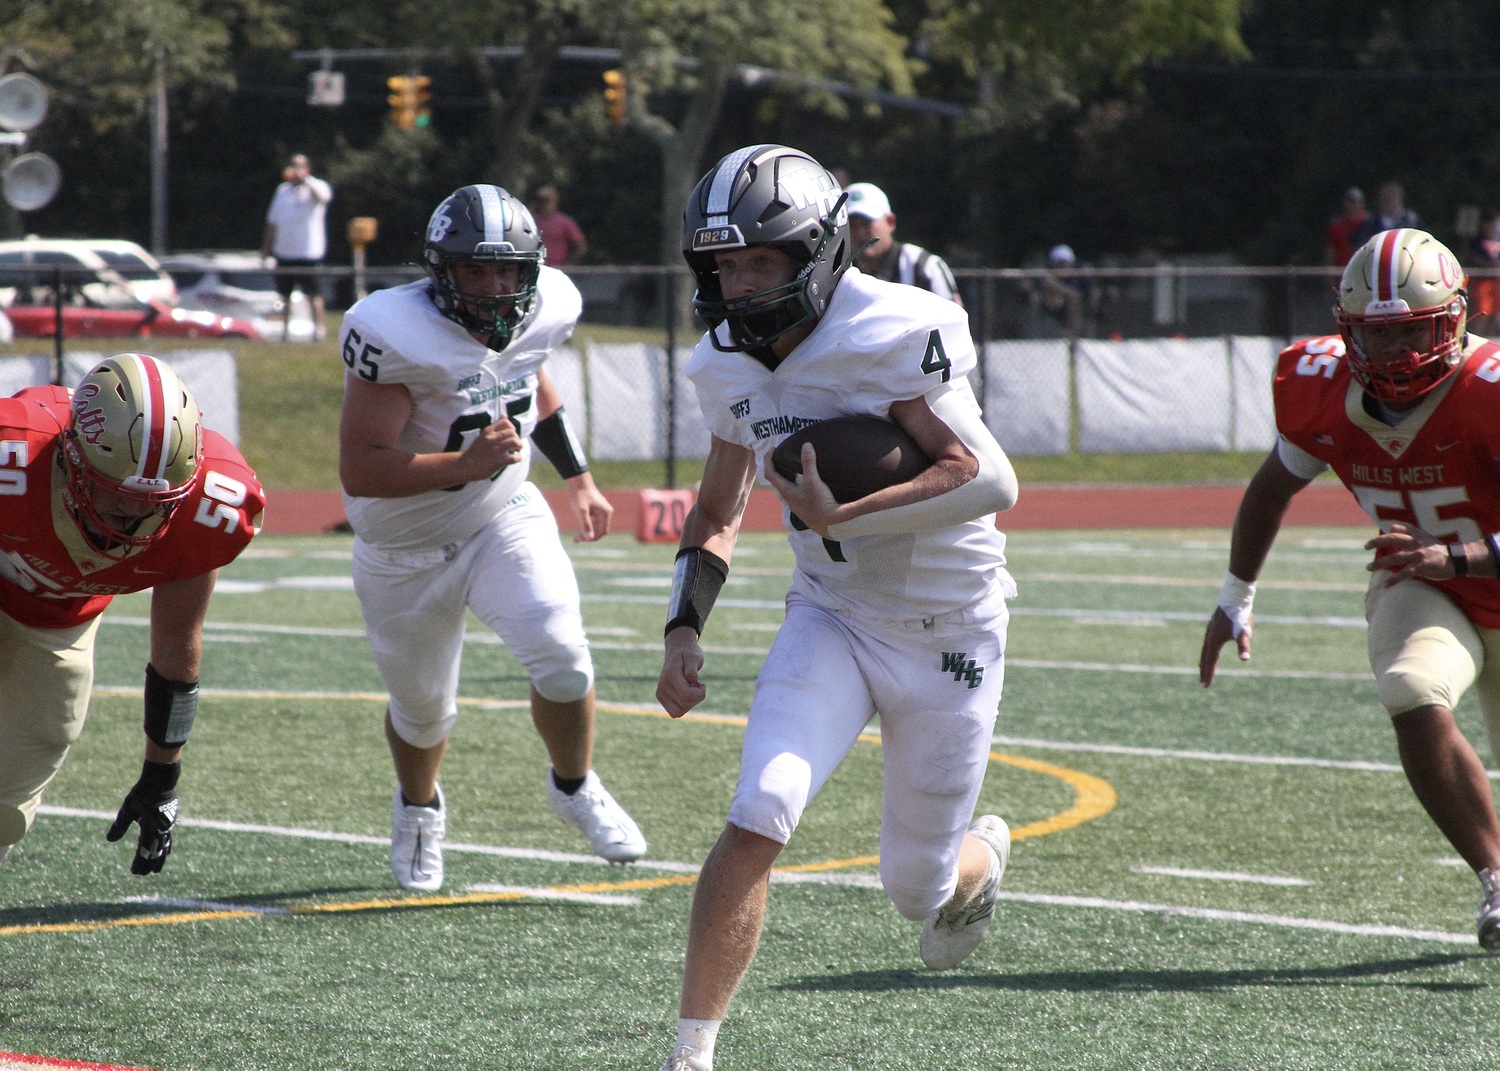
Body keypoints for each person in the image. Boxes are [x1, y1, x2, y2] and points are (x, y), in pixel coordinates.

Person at [656, 144, 1020, 1071]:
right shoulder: (723, 364)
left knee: (918, 891)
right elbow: (715, 508)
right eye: (724, 265)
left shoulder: (895, 325)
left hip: (951, 626)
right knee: (759, 807)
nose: (739, 285)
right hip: (833, 616)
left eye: (760, 262)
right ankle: (691, 1054)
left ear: (817, 253)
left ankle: (980, 859)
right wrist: (683, 627)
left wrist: (844, 511)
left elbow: (987, 479)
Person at [1199, 227, 1500, 953]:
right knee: (1408, 688)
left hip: (1457, 565)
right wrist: (1235, 594)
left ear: (1453, 318)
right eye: (1377, 336)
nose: (1392, 356)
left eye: (1411, 334)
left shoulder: (1489, 391)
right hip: (1430, 586)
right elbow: (1271, 489)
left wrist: (1457, 554)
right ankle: (1495, 875)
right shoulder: (1324, 387)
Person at [338, 183, 645, 892]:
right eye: (475, 270)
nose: (494, 286)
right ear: (441, 271)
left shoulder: (547, 307)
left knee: (564, 655)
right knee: (422, 710)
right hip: (401, 548)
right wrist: (462, 463)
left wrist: (581, 478)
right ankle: (419, 807)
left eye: (507, 270)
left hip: (498, 514)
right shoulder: (395, 332)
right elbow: (360, 468)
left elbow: (529, 379)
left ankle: (573, 784)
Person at [0, 353, 265, 872]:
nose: (133, 514)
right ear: (71, 457)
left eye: (154, 503)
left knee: (8, 812)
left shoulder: (212, 509)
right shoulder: (14, 452)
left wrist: (161, 778)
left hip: (59, 622)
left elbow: (177, 643)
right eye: (112, 493)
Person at [844, 181, 964, 305]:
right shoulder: (838, 272)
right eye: (852, 225)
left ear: (890, 222)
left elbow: (953, 319)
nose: (860, 232)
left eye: (866, 223)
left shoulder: (924, 266)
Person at [260, 153, 333, 341]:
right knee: (285, 296)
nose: (295, 169)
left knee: (313, 295)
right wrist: (266, 251)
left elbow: (323, 198)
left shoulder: (316, 187)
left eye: (299, 165)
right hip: (284, 252)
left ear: (307, 168)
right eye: (293, 165)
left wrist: (305, 180)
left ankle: (318, 331)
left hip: (308, 253)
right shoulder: (282, 191)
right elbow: (272, 223)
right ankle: (284, 332)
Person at [528, 185, 588, 267]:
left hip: (559, 269)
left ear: (555, 201)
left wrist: (568, 264)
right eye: (541, 201)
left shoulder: (565, 222)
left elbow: (580, 246)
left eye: (547, 200)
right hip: (536, 268)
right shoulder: (531, 222)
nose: (544, 204)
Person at [1352, 181, 1419, 247]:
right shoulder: (1371, 222)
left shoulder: (1410, 220)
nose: (1389, 202)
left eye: (1392, 197)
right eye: (1385, 197)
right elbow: (1360, 244)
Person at [1466, 208, 1500, 338]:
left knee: (1494, 316)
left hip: (1496, 284)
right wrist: (1492, 266)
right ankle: (1478, 337)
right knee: (1482, 314)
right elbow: (1474, 259)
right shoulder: (1477, 241)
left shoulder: (1496, 240)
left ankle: (1490, 340)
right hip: (1482, 283)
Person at [1324, 186, 1368, 268]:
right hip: (1342, 271)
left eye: (1356, 202)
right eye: (1349, 202)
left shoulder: (1369, 223)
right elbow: (1330, 253)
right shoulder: (1336, 226)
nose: (1353, 205)